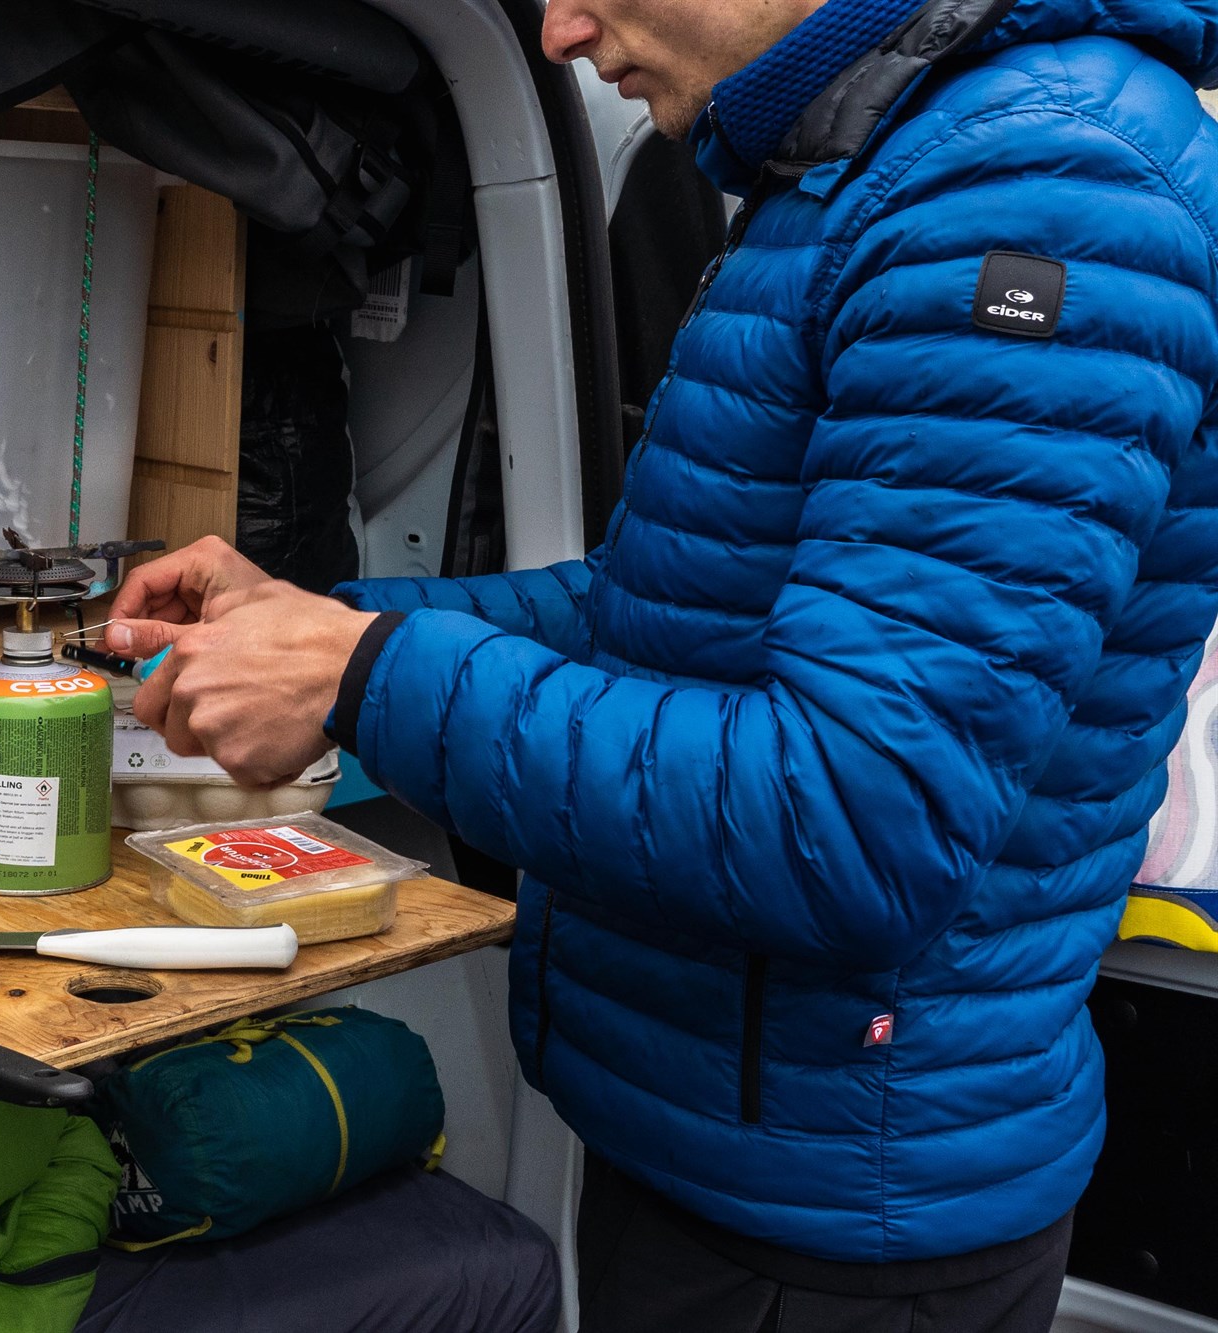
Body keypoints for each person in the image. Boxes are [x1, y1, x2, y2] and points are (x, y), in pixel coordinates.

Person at [102, 0, 1218, 1328]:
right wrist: (318, 624)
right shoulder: (870, 161)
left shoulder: (1031, 186)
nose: (561, 29)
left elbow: (854, 817)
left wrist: (364, 675)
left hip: (836, 1229)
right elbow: (669, 615)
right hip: (727, 1150)